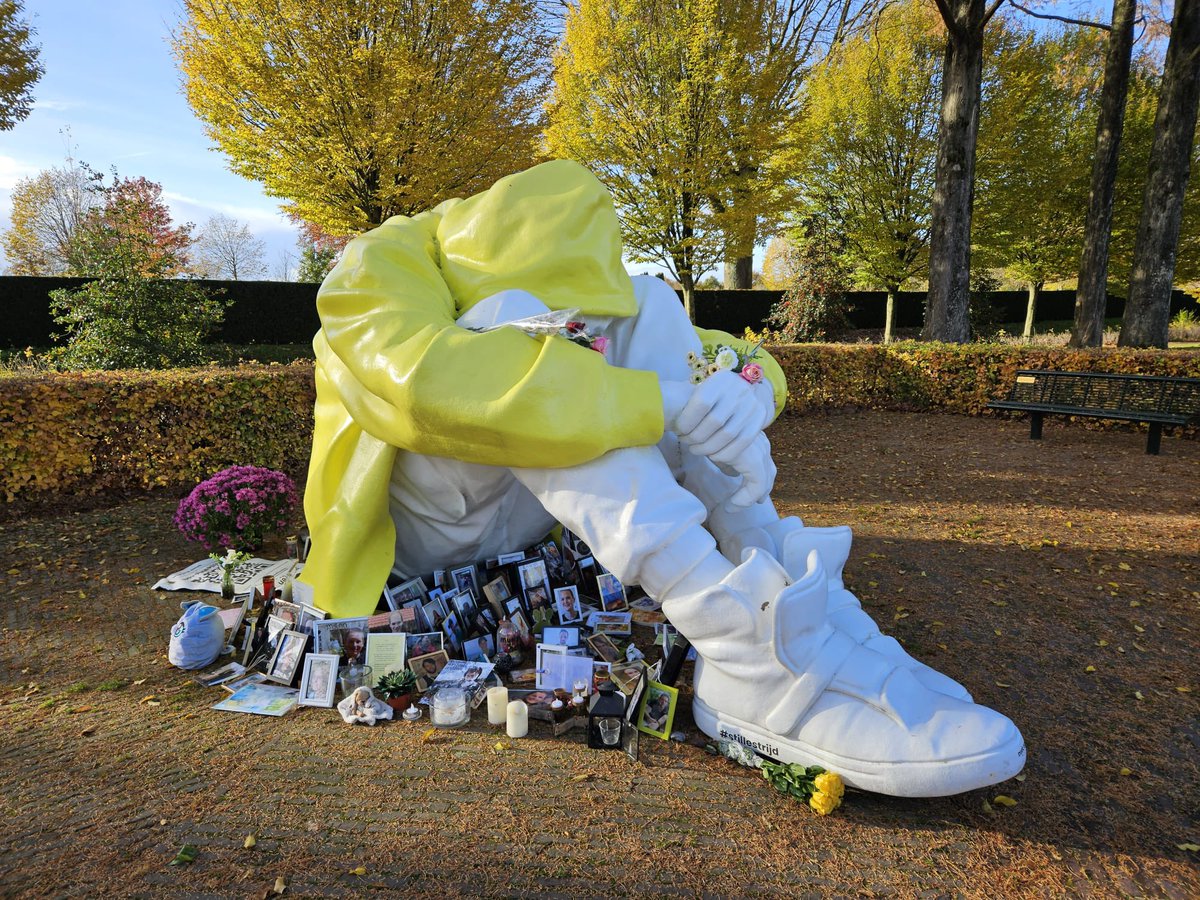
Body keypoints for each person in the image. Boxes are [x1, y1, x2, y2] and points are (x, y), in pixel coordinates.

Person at [297, 160, 1023, 797]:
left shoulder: (590, 276)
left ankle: (774, 587)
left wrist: (739, 396)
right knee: (515, 331)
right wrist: (664, 403)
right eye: (571, 317)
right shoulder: (378, 269)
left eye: (583, 318)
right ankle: (737, 644)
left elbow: (730, 354)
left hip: (522, 534)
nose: (586, 334)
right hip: (418, 547)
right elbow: (435, 385)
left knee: (651, 305)